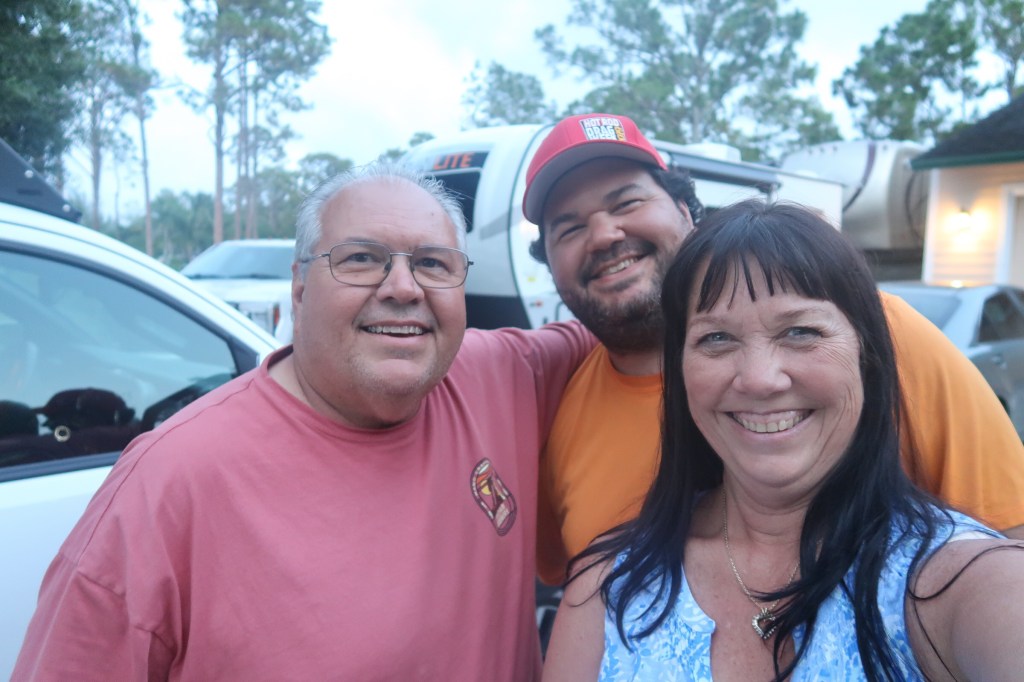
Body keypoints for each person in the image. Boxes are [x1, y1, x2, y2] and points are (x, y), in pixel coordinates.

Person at [13, 162, 594, 680]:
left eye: (432, 264)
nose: (403, 288)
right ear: (298, 286)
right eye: (361, 259)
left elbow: (628, 320)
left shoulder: (502, 375)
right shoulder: (168, 483)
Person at [521, 113, 1024, 586]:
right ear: (549, 262)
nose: (604, 235)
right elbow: (574, 591)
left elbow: (1009, 538)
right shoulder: (562, 411)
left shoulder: (879, 334)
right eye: (570, 227)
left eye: (627, 203)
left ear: (684, 209)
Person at [542, 199, 1024, 680]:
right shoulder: (607, 589)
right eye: (716, 338)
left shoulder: (959, 581)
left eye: (800, 331)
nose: (759, 379)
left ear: (867, 355)